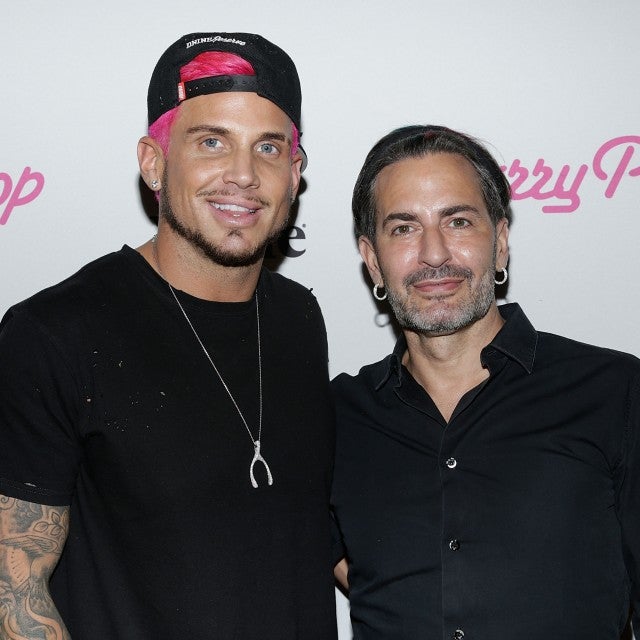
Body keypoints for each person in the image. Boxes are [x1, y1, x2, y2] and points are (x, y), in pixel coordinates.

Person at [0, 32, 337, 639]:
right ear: (154, 162)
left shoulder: (300, 319)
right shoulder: (53, 333)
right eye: (211, 142)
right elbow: (15, 591)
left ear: (294, 174)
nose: (243, 174)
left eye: (268, 147)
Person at [330, 125, 640, 639]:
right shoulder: (335, 416)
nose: (434, 254)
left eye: (458, 222)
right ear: (372, 260)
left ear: (499, 243)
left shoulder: (615, 392)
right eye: (404, 228)